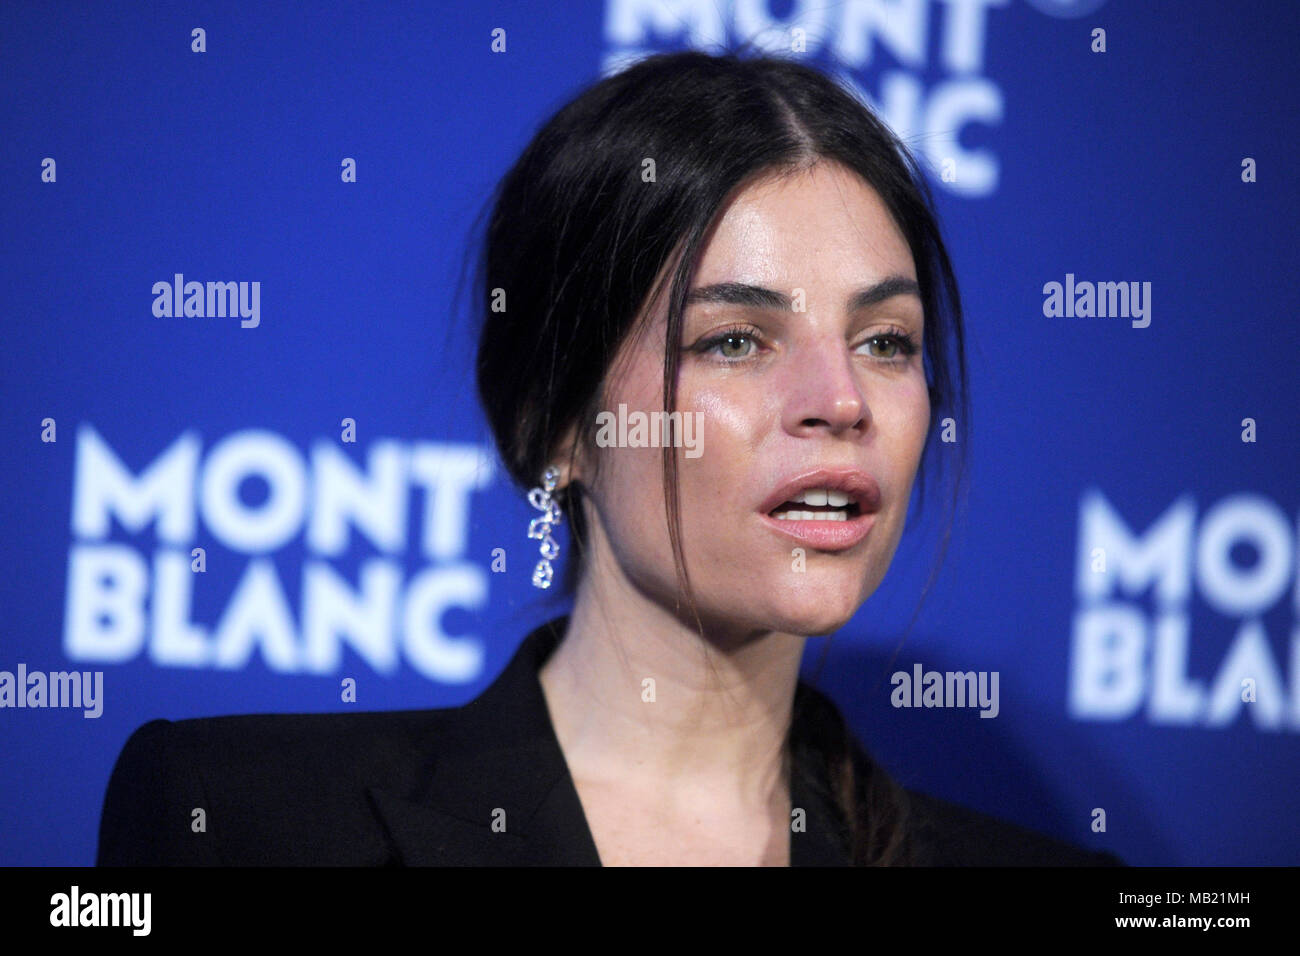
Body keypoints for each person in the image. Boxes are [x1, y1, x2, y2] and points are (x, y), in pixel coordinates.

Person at [98, 49, 1121, 867]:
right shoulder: (234, 818)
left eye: (885, 340)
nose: (840, 401)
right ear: (556, 422)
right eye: (733, 340)